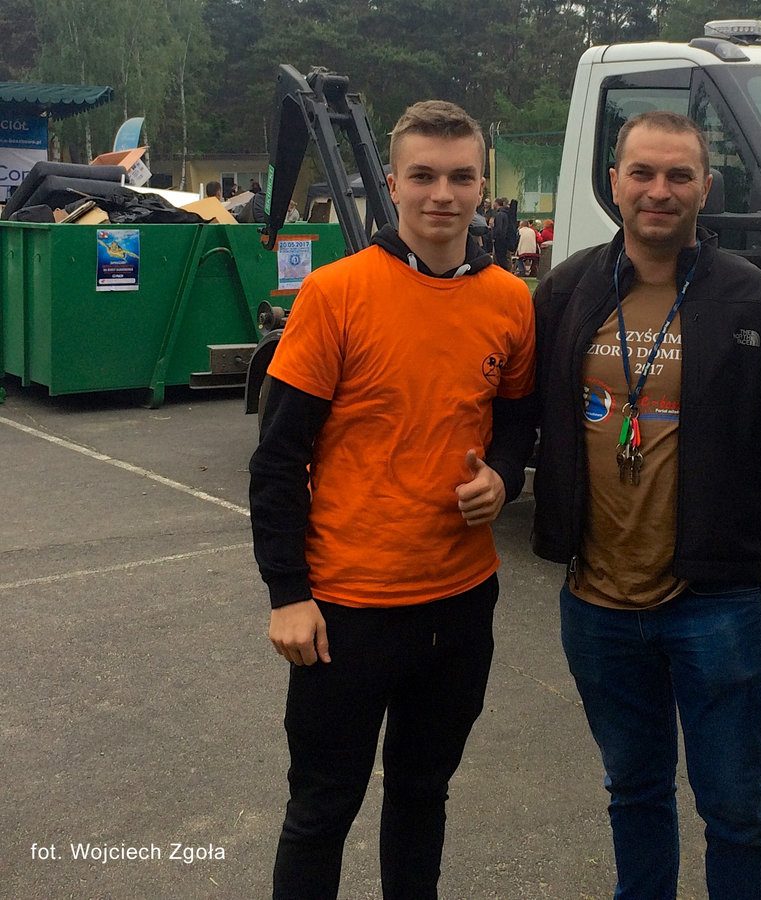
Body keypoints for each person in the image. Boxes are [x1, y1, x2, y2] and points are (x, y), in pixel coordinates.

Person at [249, 99, 536, 900]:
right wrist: (288, 594)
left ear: (483, 185)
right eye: (423, 176)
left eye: (461, 177)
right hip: (349, 609)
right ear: (394, 182)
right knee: (322, 807)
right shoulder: (336, 293)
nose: (443, 194)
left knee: (422, 793)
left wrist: (503, 478)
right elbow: (278, 460)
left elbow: (517, 421)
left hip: (461, 603)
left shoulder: (509, 300)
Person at [520, 109, 761, 899]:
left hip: (714, 602)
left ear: (707, 188)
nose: (659, 191)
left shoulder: (753, 300)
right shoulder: (567, 289)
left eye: (679, 175)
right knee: (633, 792)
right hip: (596, 603)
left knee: (737, 810)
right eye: (642, 172)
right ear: (615, 183)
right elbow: (515, 409)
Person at [491, 196, 517, 270]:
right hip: (506, 241)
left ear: (496, 203)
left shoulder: (500, 214)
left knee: (500, 259)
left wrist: (495, 237)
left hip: (500, 241)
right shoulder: (506, 213)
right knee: (505, 258)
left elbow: (499, 229)